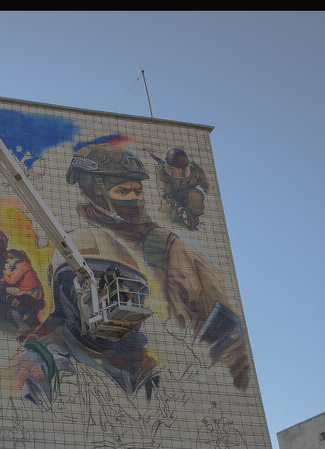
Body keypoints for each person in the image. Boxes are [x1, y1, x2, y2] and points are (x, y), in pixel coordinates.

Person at [52, 139, 250, 394]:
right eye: (123, 191)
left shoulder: (172, 249)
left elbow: (226, 332)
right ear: (94, 190)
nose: (134, 199)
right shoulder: (75, 238)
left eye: (138, 191)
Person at [0, 249, 44, 336]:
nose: (6, 261)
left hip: (32, 293)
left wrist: (4, 276)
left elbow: (12, 281)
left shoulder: (21, 266)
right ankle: (27, 314)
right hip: (29, 292)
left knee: (11, 304)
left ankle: (22, 326)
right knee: (8, 291)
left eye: (7, 259)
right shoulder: (21, 265)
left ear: (12, 258)